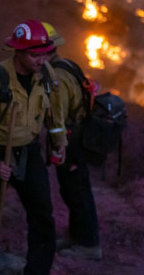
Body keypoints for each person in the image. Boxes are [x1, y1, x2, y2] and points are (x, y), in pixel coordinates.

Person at [0, 20, 67, 274]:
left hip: (29, 151)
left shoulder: (46, 75)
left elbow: (55, 113)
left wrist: (59, 142)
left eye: (44, 54)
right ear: (18, 52)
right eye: (34, 55)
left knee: (42, 213)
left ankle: (38, 269)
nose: (40, 60)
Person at [42, 22, 102, 261]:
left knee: (77, 191)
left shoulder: (55, 76)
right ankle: (76, 236)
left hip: (70, 140)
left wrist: (58, 145)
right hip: (78, 135)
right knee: (72, 189)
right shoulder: (67, 64)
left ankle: (88, 244)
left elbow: (57, 116)